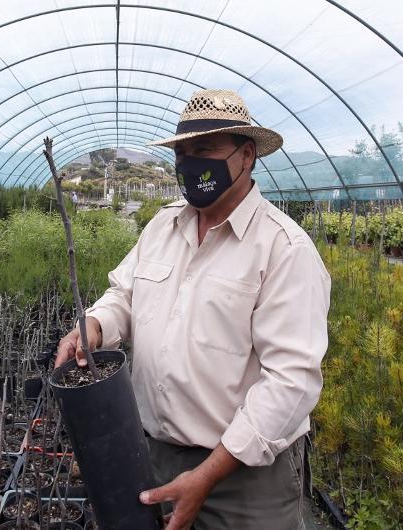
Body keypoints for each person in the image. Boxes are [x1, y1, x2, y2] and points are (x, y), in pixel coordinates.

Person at [54, 89, 332, 530]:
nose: (190, 164)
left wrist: (207, 473)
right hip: (151, 452)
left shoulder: (284, 249)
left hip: (243, 476)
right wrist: (93, 325)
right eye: (183, 152)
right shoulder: (164, 225)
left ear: (247, 156)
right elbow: (123, 295)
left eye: (205, 149)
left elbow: (291, 379)